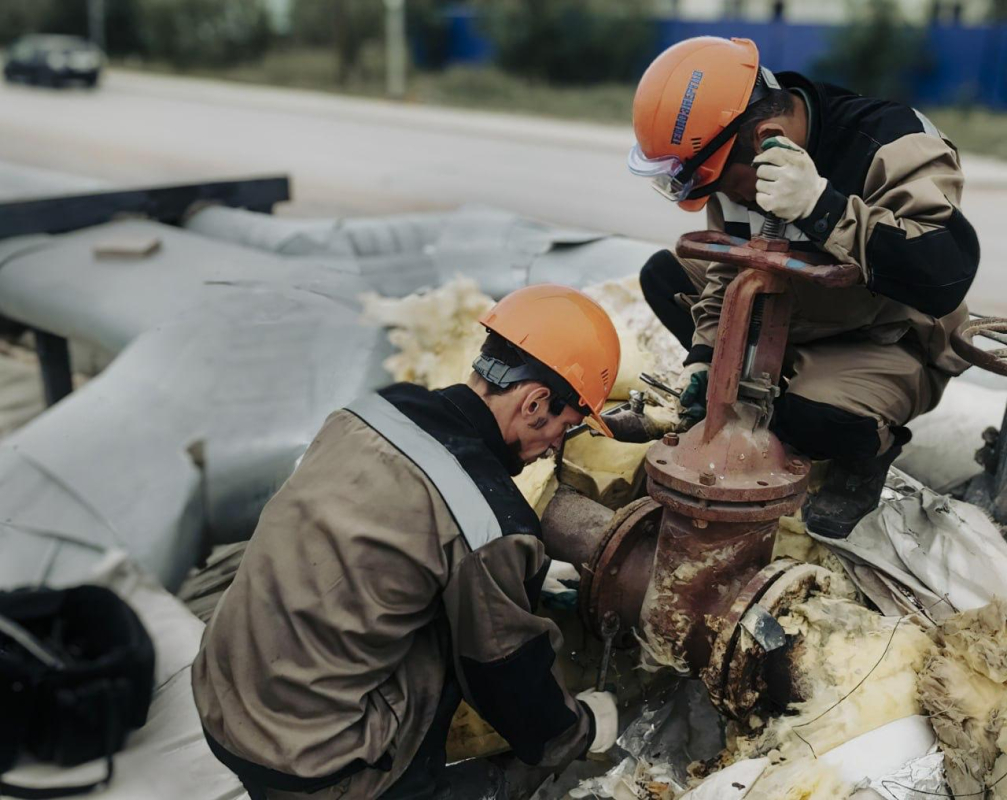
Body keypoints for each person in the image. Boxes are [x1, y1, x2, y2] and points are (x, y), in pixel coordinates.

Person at [191, 284, 622, 799]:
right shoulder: (492, 523)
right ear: (534, 402)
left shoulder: (376, 409)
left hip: (223, 701)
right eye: (564, 428)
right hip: (313, 764)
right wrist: (581, 730)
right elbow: (510, 679)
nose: (554, 446)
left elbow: (392, 535)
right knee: (470, 641)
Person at [628, 36, 980, 537]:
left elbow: (944, 270)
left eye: (726, 186)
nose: (729, 197)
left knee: (811, 424)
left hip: (880, 331)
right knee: (662, 276)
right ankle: (760, 384)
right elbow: (729, 266)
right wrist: (707, 354)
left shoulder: (896, 144)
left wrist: (824, 207)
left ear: (768, 137)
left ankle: (866, 450)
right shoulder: (735, 159)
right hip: (792, 307)